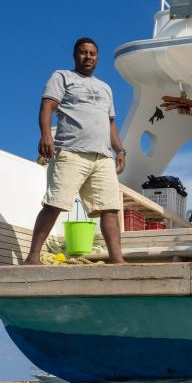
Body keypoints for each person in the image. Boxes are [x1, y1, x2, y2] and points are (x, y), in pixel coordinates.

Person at [25, 37, 126, 265]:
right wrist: (45, 134)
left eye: (92, 53)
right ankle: (33, 257)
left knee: (110, 208)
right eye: (83, 52)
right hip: (71, 152)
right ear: (75, 55)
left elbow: (110, 123)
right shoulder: (62, 77)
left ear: (98, 58)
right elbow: (47, 106)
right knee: (55, 204)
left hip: (103, 157)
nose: (88, 57)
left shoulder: (106, 88)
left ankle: (117, 259)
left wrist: (120, 149)